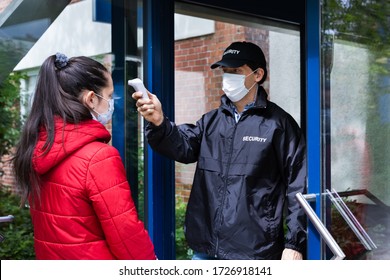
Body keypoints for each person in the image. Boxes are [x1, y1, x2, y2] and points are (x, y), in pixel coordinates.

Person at [133, 41, 307, 260]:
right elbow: (183, 147)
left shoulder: (279, 125)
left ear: (258, 74)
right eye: (225, 71)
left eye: (235, 71)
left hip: (254, 252)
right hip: (205, 248)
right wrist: (158, 122)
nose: (228, 78)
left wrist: (294, 243)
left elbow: (298, 187)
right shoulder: (211, 121)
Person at [12, 53, 156, 260]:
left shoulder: (36, 148)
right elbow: (125, 231)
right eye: (109, 95)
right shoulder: (98, 157)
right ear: (90, 98)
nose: (112, 103)